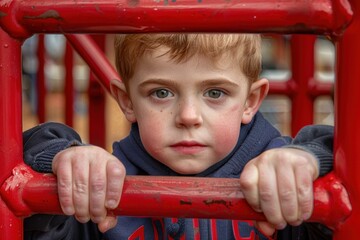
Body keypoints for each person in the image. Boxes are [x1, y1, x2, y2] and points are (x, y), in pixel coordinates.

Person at [23, 34, 334, 240]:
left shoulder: (277, 174)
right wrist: (65, 160)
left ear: (251, 101)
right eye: (161, 92)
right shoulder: (106, 184)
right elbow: (34, 218)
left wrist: (307, 161)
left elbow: (342, 164)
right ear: (127, 100)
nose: (188, 116)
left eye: (215, 92)